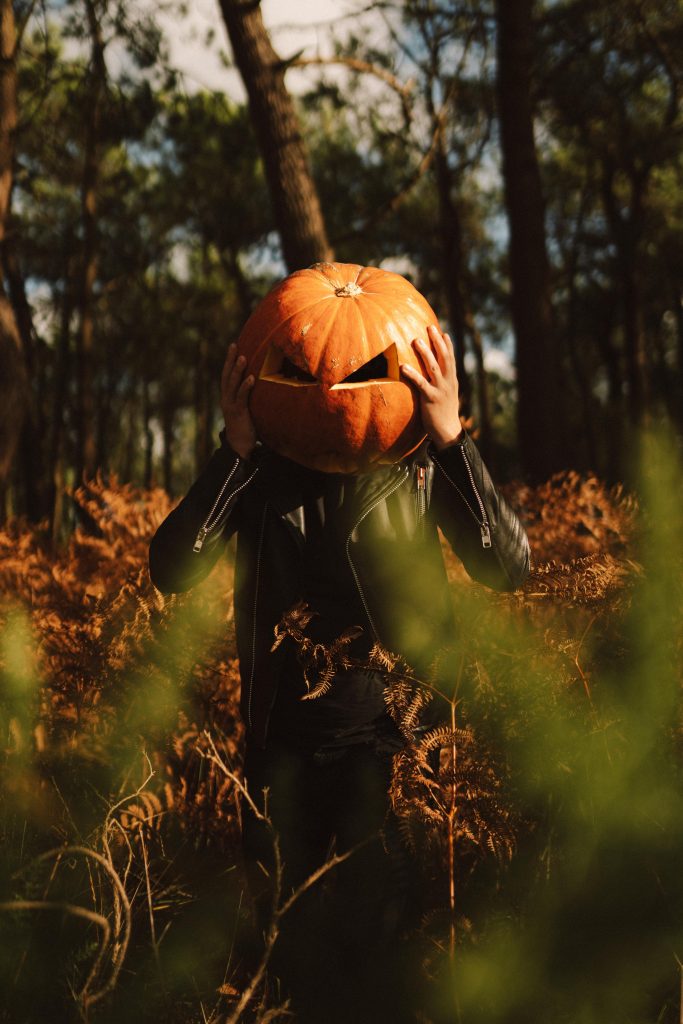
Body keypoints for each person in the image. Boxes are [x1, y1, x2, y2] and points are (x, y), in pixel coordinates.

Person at [148, 322, 530, 1022]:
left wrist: (451, 437)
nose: (330, 383)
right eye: (300, 367)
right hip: (279, 755)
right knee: (285, 963)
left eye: (362, 370)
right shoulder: (260, 472)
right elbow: (172, 567)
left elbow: (506, 566)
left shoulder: (415, 466)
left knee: (382, 969)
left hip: (392, 757)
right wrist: (232, 449)